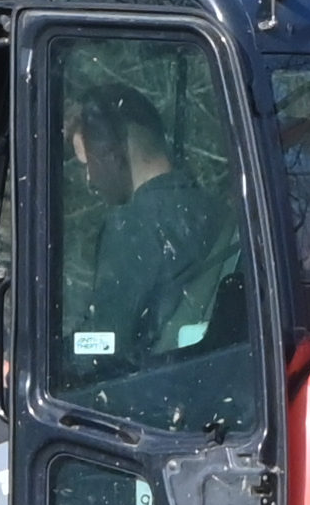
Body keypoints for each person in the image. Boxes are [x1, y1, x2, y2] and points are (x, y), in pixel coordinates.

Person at [58, 50, 238, 378]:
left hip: (139, 395)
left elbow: (106, 342)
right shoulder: (217, 215)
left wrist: (29, 364)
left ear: (111, 154)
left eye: (89, 165)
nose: (90, 182)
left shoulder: (133, 225)